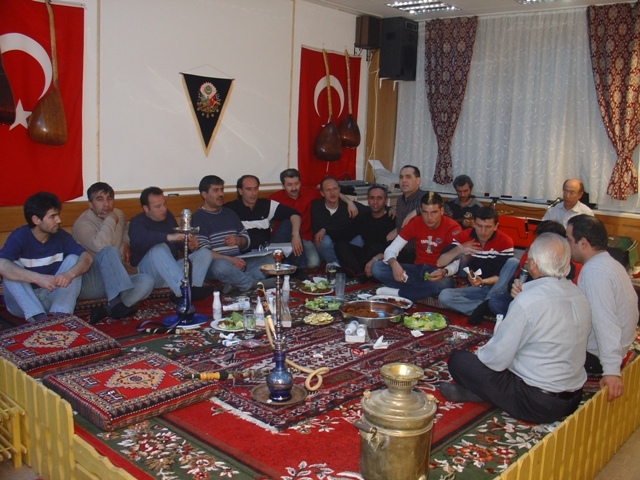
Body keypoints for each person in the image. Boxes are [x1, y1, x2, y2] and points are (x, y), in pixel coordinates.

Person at [440, 233, 591, 424]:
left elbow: (495, 359)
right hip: (573, 397)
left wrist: (482, 354)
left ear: (533, 265)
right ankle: (481, 393)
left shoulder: (528, 301)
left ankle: (481, 393)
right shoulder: (579, 294)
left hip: (537, 402)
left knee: (460, 361)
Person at [567, 214, 638, 402]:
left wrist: (611, 371)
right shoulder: (610, 262)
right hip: (620, 344)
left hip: (597, 356)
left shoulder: (594, 272)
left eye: (569, 239)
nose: (567, 244)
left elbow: (605, 322)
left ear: (583, 243)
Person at [0, 192, 93, 322]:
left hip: (51, 297)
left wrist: (69, 274)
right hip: (22, 304)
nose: (59, 220)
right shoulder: (19, 236)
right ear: (36, 220)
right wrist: (38, 278)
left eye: (57, 215)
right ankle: (39, 318)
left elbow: (87, 257)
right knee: (11, 265)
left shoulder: (60, 236)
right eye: (52, 217)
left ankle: (62, 315)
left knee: (74, 259)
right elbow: (2, 265)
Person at [72, 183, 155, 323]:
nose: (106, 204)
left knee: (147, 281)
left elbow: (125, 230)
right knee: (109, 251)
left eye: (109, 198)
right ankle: (116, 302)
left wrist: (125, 242)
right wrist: (110, 219)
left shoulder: (119, 214)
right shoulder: (82, 224)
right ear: (90, 204)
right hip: (93, 281)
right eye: (99, 199)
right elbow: (102, 246)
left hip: (118, 276)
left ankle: (108, 309)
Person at [129, 187, 213, 302]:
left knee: (204, 254)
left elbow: (178, 244)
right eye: (158, 206)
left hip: (170, 272)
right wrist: (169, 237)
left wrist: (188, 246)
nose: (163, 209)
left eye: (164, 204)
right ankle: (183, 292)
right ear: (146, 208)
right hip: (149, 274)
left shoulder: (167, 216)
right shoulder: (137, 222)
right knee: (159, 248)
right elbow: (139, 239)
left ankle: (194, 289)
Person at [371, 192, 460, 301]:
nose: (429, 217)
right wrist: (394, 264)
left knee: (445, 283)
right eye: (425, 212)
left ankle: (398, 292)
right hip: (417, 270)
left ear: (441, 211)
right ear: (420, 211)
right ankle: (419, 290)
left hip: (437, 272)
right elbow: (391, 249)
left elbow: (457, 262)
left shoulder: (452, 227)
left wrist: (444, 272)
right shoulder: (415, 222)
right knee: (377, 267)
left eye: (434, 212)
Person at [192, 175, 271, 294]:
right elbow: (204, 252)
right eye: (216, 190)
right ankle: (251, 284)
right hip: (217, 265)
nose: (221, 194)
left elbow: (246, 239)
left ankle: (234, 283)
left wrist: (238, 240)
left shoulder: (230, 213)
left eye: (222, 189)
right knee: (221, 265)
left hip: (239, 262)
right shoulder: (198, 217)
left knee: (270, 259)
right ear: (204, 194)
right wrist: (230, 260)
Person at [436, 207, 515, 324]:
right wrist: (459, 249)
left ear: (496, 226)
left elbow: (502, 277)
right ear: (473, 224)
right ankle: (485, 308)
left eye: (488, 227)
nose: (483, 231)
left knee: (513, 263)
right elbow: (440, 262)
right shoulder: (465, 236)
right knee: (444, 296)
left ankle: (486, 305)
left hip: (495, 288)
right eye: (479, 226)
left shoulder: (505, 241)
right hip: (475, 289)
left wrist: (483, 281)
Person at [269, 168, 359, 269]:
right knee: (287, 223)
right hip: (285, 237)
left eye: (296, 183)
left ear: (300, 183)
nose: (294, 188)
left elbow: (331, 192)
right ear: (283, 186)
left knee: (314, 262)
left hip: (305, 238)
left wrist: (349, 202)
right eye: (289, 185)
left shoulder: (309, 193)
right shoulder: (274, 198)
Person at [225, 174, 306, 277]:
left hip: (267, 249)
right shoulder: (230, 209)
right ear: (240, 191)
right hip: (246, 255)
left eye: (256, 189)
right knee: (263, 268)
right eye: (249, 189)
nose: (253, 193)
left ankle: (298, 270)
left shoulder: (265, 205)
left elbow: (295, 214)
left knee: (289, 224)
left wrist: (295, 235)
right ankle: (273, 272)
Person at [486, 220, 569, 319]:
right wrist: (514, 287)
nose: (535, 246)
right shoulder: (530, 255)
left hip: (547, 310)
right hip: (524, 300)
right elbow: (516, 279)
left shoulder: (565, 264)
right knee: (496, 301)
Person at [387, 165, 453, 264]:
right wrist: (397, 228)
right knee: (378, 264)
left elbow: (448, 212)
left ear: (418, 180)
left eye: (408, 177)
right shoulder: (400, 200)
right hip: (402, 248)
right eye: (401, 177)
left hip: (420, 253)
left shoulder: (426, 198)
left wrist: (418, 210)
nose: (403, 180)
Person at [333, 185, 396, 282]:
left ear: (385, 201)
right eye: (372, 198)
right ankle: (360, 273)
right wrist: (324, 230)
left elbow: (392, 249)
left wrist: (375, 259)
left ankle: (353, 272)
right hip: (365, 255)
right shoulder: (364, 217)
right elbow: (344, 234)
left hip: (382, 258)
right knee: (340, 245)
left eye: (379, 198)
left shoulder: (392, 218)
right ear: (368, 200)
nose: (375, 202)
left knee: (376, 247)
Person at [310, 176, 367, 265]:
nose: (332, 193)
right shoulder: (316, 206)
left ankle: (338, 265)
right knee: (323, 241)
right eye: (328, 190)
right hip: (329, 246)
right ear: (322, 193)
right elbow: (318, 231)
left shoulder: (349, 206)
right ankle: (339, 264)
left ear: (339, 190)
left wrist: (389, 210)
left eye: (335, 189)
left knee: (359, 239)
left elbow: (371, 210)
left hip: (346, 242)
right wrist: (324, 230)